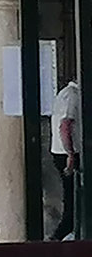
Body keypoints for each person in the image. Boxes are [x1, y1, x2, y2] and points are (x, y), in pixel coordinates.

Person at [51, 80, 80, 240]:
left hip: (62, 151)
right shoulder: (73, 96)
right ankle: (58, 240)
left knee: (72, 199)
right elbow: (65, 125)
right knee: (73, 202)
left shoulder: (64, 93)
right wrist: (70, 154)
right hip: (69, 153)